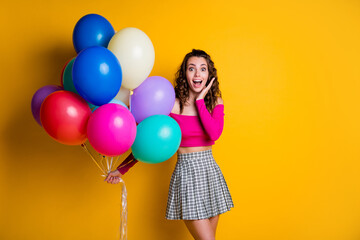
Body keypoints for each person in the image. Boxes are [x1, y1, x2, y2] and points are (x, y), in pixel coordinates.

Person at [105, 49, 234, 240]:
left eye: (203, 69)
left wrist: (199, 102)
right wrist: (122, 169)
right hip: (187, 175)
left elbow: (214, 133)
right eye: (192, 69)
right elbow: (148, 140)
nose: (197, 74)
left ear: (209, 75)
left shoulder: (215, 102)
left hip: (210, 174)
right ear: (185, 74)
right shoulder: (171, 105)